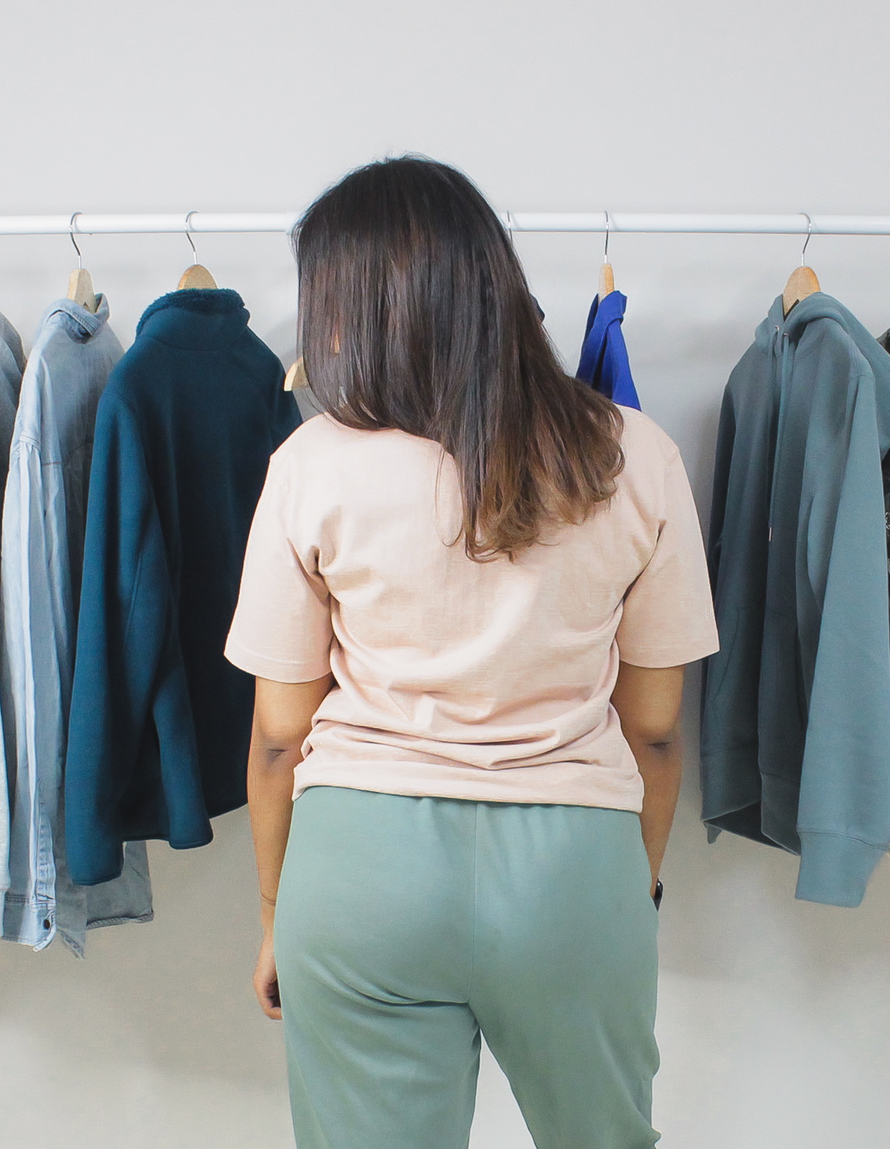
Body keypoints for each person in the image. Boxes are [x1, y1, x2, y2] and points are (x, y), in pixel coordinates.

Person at [224, 156, 718, 1149]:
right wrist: (636, 888)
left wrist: (279, 913)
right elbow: (656, 730)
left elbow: (281, 738)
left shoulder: (311, 465)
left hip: (360, 870)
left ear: (355, 309)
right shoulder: (633, 456)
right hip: (572, 867)